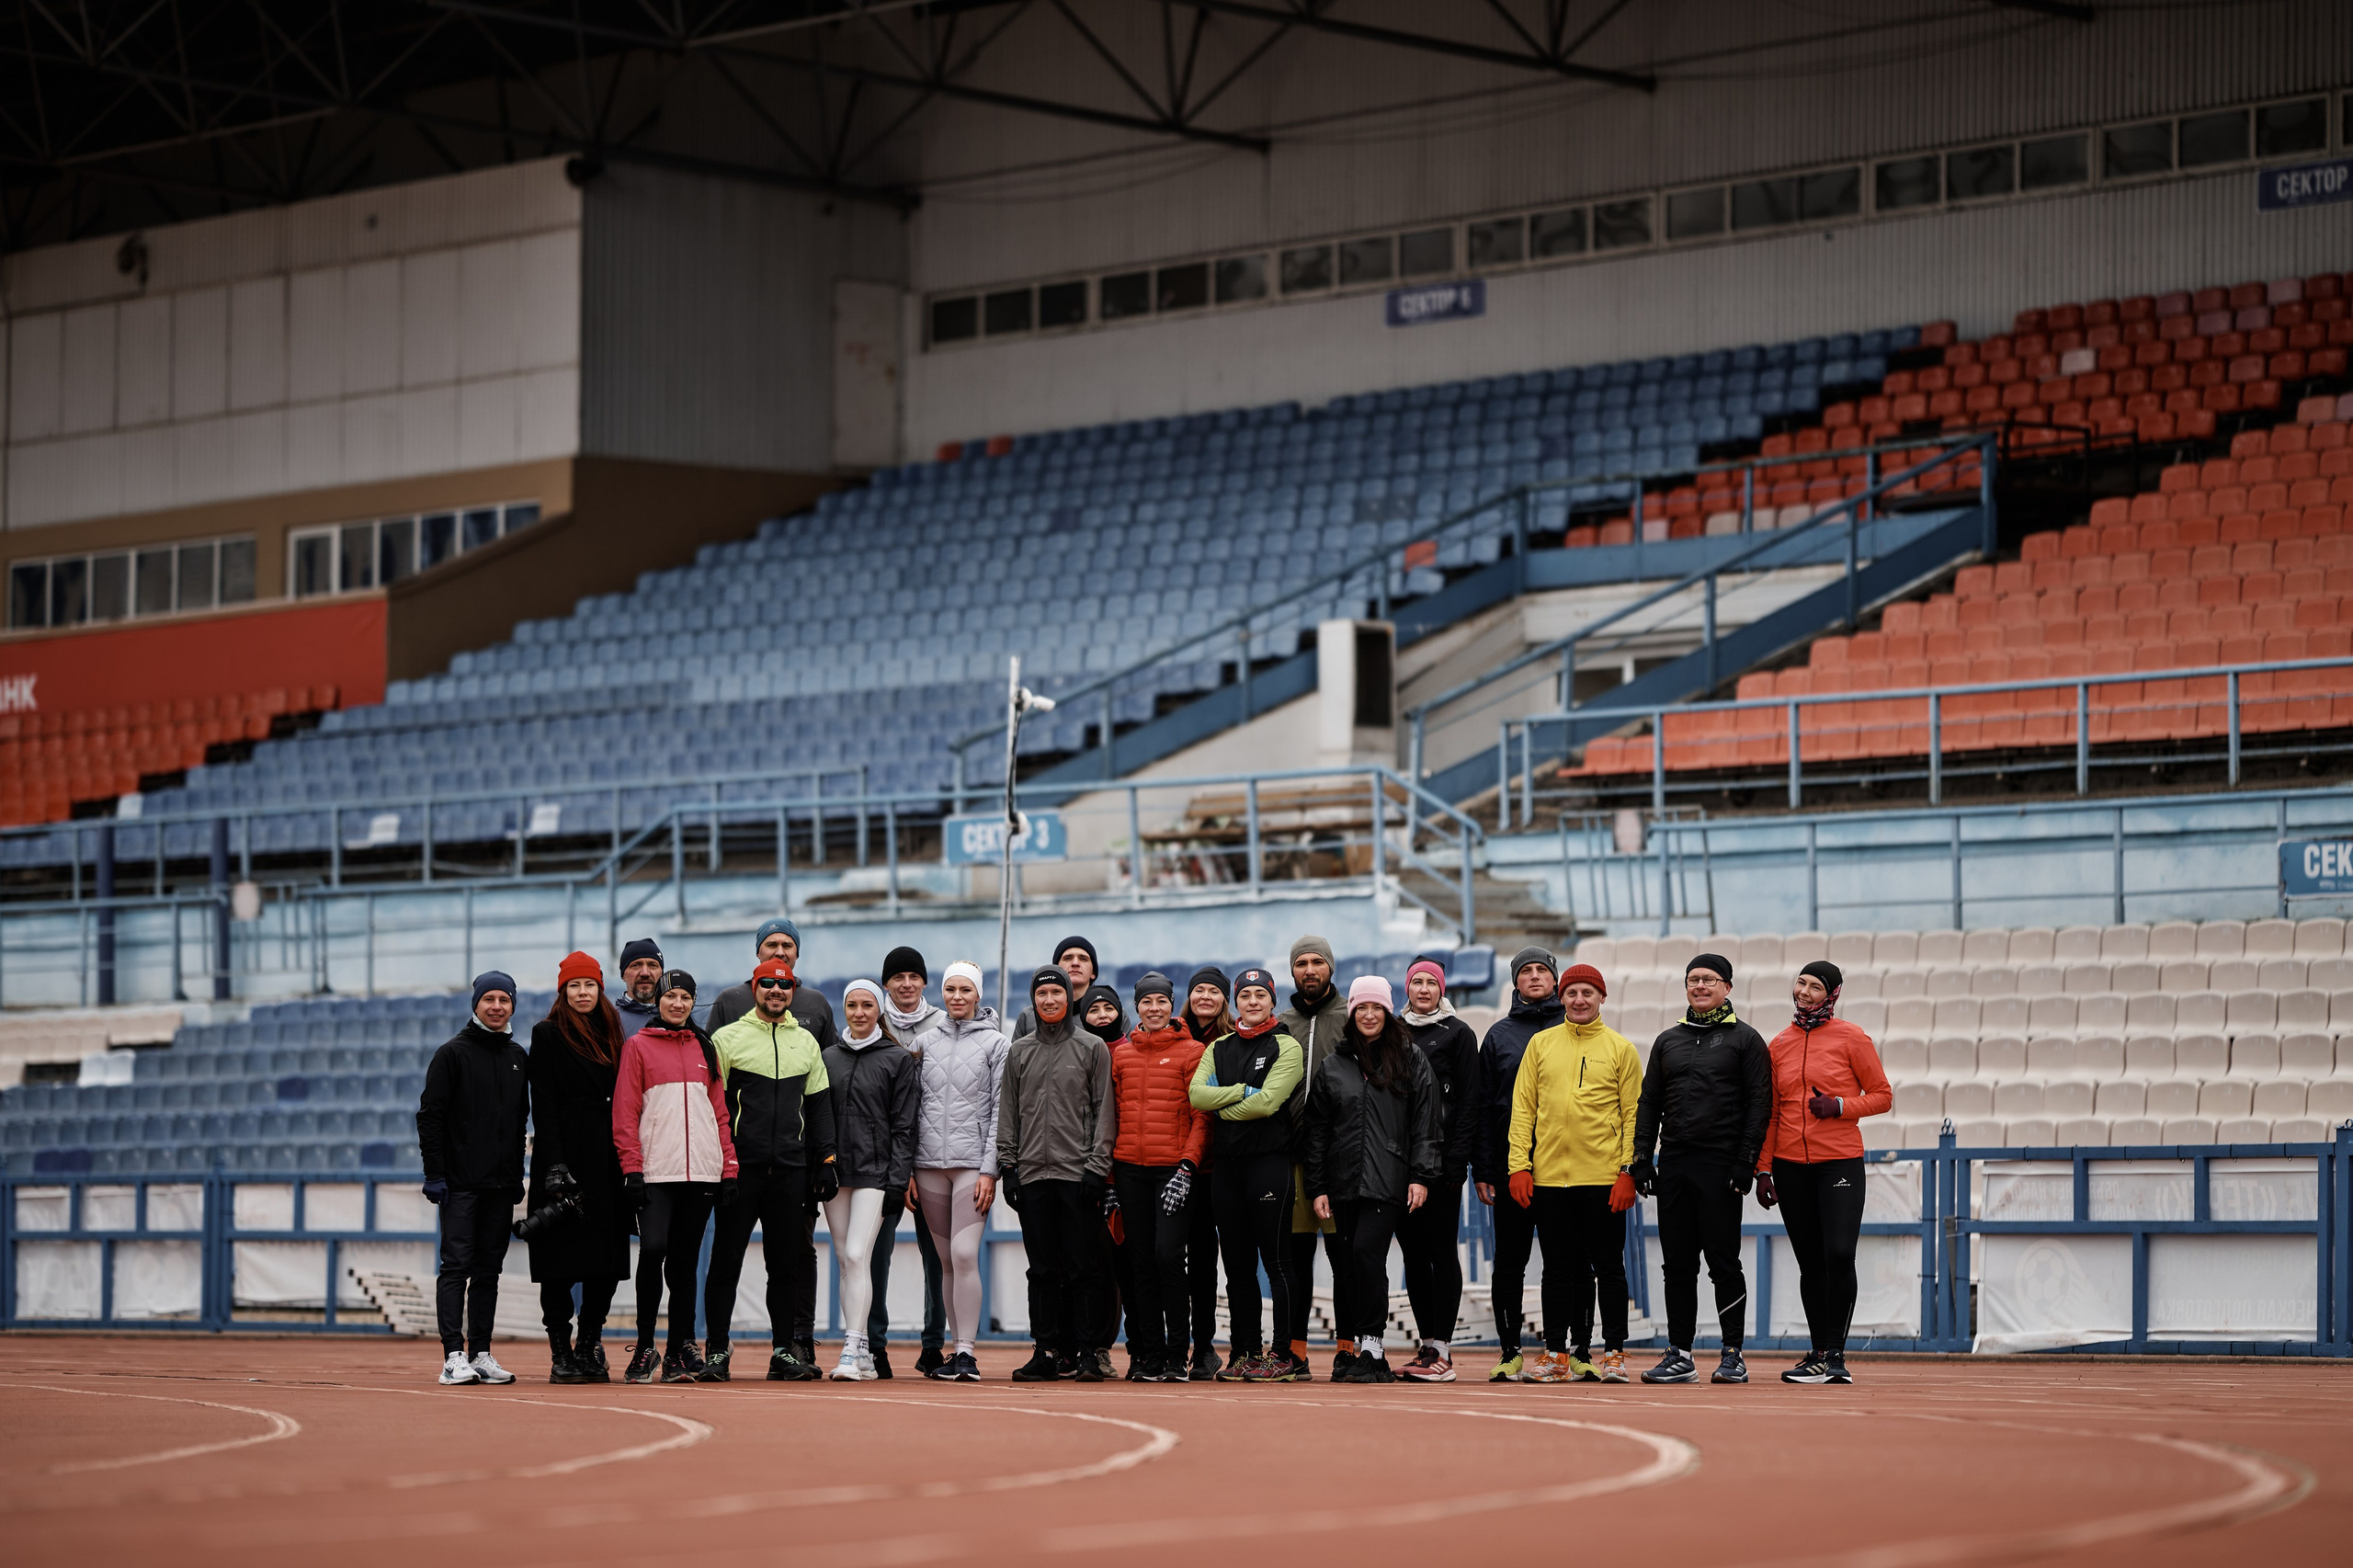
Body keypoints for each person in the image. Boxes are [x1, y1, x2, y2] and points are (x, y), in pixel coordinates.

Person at [1630, 952, 1772, 1386]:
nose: (1701, 986)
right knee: (1677, 1264)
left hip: (1721, 1165)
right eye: (1693, 979)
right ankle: (1680, 1354)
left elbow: (1760, 1105)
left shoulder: (1746, 1040)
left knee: (1723, 1262)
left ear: (1728, 987)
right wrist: (1641, 1158)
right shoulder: (1667, 1040)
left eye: (1710, 979)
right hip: (1673, 1163)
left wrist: (1745, 1161)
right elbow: (1649, 1102)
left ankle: (1733, 1354)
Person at [1506, 961, 1643, 1384]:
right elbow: (1523, 1109)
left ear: (1602, 998)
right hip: (1550, 1180)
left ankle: (1615, 1353)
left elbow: (1634, 1115)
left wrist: (1628, 1173)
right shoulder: (1541, 1044)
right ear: (1560, 998)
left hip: (1603, 1180)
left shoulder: (1621, 1049)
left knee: (1609, 1269)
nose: (1579, 1000)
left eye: (1588, 993)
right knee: (1556, 1270)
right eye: (1572, 993)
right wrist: (1518, 1166)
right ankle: (1556, 1355)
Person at [704, 958, 838, 1381]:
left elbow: (818, 1108)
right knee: (725, 1262)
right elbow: (712, 1107)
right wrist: (722, 1165)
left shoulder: (807, 1042)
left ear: (792, 991)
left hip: (790, 1170)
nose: (776, 992)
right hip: (740, 1169)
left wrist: (826, 1161)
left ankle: (783, 1352)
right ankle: (716, 1353)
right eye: (768, 985)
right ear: (755, 987)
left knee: (786, 1267)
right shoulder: (727, 1038)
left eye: (784, 987)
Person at [1760, 960, 1892, 1386]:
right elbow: (1773, 1114)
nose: (1804, 992)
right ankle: (1818, 1353)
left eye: (1815, 986)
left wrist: (1839, 1106)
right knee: (1810, 1263)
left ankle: (1836, 1353)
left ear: (1831, 994)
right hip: (1790, 1166)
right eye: (1801, 983)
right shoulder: (1778, 1044)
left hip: (1839, 1161)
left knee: (1838, 1254)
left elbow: (1882, 1096)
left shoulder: (1852, 1037)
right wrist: (1764, 1170)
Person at [1304, 977, 1442, 1384]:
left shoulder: (1410, 1058)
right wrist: (1318, 1186)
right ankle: (1356, 1352)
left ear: (1387, 1012)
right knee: (1347, 1265)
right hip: (1342, 1181)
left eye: (1376, 1008)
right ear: (1351, 1014)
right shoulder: (1334, 1064)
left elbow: (1426, 1122)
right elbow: (1316, 1132)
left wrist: (1420, 1175)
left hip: (1390, 1179)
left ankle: (1374, 1348)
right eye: (1361, 1008)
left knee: (1366, 1254)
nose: (1368, 1015)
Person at [613, 970, 739, 1384]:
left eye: (686, 997)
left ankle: (677, 1353)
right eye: (672, 996)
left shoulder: (706, 1047)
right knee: (653, 1251)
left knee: (684, 1265)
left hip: (701, 1173)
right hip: (654, 1172)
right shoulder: (637, 1047)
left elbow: (720, 1114)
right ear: (660, 1002)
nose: (678, 1004)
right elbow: (626, 1112)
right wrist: (632, 1169)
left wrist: (729, 1168)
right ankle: (645, 1346)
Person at [1000, 967, 1118, 1381]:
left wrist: (1096, 1169)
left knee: (1084, 1268)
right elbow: (1009, 1113)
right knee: (1043, 1270)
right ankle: (1047, 1350)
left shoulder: (1092, 1048)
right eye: (1041, 994)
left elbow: (1106, 1112)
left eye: (1056, 992)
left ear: (1069, 998)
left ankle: (1088, 1353)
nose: (1049, 1000)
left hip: (1078, 1176)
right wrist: (1008, 1169)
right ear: (1033, 1001)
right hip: (1031, 1177)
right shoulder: (1019, 1052)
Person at [1190, 966, 1307, 1382]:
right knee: (1237, 1268)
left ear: (1272, 1000)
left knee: (1277, 1263)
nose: (1253, 1002)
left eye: (1261, 995)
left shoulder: (1287, 1046)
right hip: (1226, 1170)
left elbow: (1269, 1104)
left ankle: (1285, 1355)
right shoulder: (1219, 1046)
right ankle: (1246, 1353)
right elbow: (1196, 1094)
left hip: (1268, 1165)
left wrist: (1222, 1107)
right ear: (1235, 1002)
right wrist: (1240, 1093)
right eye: (1245, 995)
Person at [417, 971, 531, 1386]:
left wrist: (517, 1174)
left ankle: (481, 1353)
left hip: (500, 1186)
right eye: (490, 999)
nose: (497, 1006)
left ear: (513, 1005)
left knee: (489, 1271)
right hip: (461, 1185)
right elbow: (430, 1119)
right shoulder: (451, 1054)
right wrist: (436, 1175)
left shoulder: (519, 1055)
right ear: (476, 1004)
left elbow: (520, 1121)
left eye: (504, 999)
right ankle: (452, 1356)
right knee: (456, 1268)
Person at [524, 952, 632, 1384]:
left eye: (589, 985)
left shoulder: (613, 1033)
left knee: (605, 1263)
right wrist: (553, 1165)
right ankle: (560, 1352)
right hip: (563, 1163)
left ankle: (588, 1344)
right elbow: (543, 1104)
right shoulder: (547, 1034)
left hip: (607, 1161)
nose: (583, 993)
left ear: (600, 989)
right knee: (559, 1264)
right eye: (574, 986)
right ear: (563, 992)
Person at [911, 960, 1010, 1382]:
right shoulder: (922, 1043)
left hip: (973, 1166)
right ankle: (955, 1350)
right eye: (950, 989)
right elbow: (910, 1111)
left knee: (965, 1254)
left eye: (965, 990)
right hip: (927, 1166)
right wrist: (909, 1171)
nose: (956, 997)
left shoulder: (997, 1045)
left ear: (978, 995)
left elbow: (1001, 1111)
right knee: (947, 1261)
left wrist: (991, 1169)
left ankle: (968, 1352)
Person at [1107, 971, 1208, 1382]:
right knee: (1139, 1262)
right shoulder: (1123, 1055)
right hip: (1129, 1169)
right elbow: (1110, 1118)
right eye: (1146, 1002)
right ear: (1137, 1007)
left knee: (1168, 1257)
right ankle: (1149, 1354)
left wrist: (1187, 1168)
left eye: (1161, 1001)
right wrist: (1111, 1180)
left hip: (1172, 1170)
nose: (1153, 1008)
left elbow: (1203, 1118)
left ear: (1171, 1005)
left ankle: (1174, 1354)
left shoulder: (1193, 1051)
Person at [1472, 947, 1565, 1381]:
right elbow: (1485, 1108)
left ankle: (1557, 1351)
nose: (1533, 977)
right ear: (1515, 982)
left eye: (1541, 970)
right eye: (1525, 972)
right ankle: (1510, 1351)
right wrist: (1485, 1170)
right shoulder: (1498, 1035)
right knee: (1510, 1262)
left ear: (1554, 979)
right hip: (1513, 1168)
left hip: (1568, 1170)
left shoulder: (1574, 1027)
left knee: (1562, 1262)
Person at [821, 979, 921, 1381]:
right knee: (846, 1260)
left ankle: (851, 1347)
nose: (859, 1012)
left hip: (875, 1175)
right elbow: (817, 1117)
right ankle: (861, 1351)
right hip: (836, 1175)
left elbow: (905, 1128)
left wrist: (897, 1182)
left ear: (878, 1010)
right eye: (852, 1005)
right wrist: (821, 1166)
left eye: (867, 1005)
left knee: (860, 1256)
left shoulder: (897, 1059)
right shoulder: (827, 1057)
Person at [1397, 957, 1480, 1382]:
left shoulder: (1459, 1034)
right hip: (1399, 1165)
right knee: (1412, 1254)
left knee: (1441, 1252)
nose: (1424, 989)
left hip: (1442, 1164)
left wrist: (1456, 1161)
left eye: (1432, 983)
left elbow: (1469, 1103)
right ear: (1407, 988)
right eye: (1417, 982)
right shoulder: (1393, 1031)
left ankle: (1443, 1349)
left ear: (1442, 989)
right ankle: (1426, 1343)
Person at [1278, 936, 1350, 1376]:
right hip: (1292, 1161)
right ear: (1292, 971)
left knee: (1345, 1261)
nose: (1309, 969)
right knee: (1295, 1262)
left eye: (1317, 962)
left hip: (1341, 1160)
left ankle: (1348, 1350)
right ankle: (1294, 1353)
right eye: (1301, 962)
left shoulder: (1353, 1017)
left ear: (1330, 968)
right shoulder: (1278, 1021)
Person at [879, 946, 949, 1377]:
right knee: (875, 1257)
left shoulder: (945, 1024)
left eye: (913, 976)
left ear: (924, 982)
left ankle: (933, 1346)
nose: (906, 984)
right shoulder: (868, 1020)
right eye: (897, 977)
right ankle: (874, 1346)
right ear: (885, 983)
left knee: (937, 1257)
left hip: (932, 1158)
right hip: (881, 1162)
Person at [1176, 968, 1235, 1381]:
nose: (1206, 996)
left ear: (1224, 999)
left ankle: (1205, 1346)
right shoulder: (1175, 1035)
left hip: (1220, 1164)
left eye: (1214, 991)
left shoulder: (1232, 1041)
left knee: (1204, 1261)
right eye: (1200, 989)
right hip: (1177, 1164)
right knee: (1170, 1260)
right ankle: (1174, 1345)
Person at [1076, 983, 1137, 1363]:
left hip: (1129, 1173)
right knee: (1093, 1266)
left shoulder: (1131, 1051)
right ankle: (1095, 1348)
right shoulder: (1078, 1052)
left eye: (1108, 1009)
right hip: (1086, 1174)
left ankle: (1144, 1348)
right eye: (1094, 1010)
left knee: (1128, 1267)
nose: (1101, 1015)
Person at [707, 918, 841, 1045]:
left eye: (787, 946)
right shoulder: (730, 1000)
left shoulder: (815, 1002)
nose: (780, 952)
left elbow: (830, 1060)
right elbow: (710, 1058)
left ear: (797, 954)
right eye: (772, 945)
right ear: (758, 952)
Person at [1011, 935, 1101, 1039]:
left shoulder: (1109, 1014)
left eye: (1083, 959)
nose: (1075, 963)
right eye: (1068, 958)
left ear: (1093, 972)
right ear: (1056, 969)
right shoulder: (1028, 1017)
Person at [615, 937, 665, 1040]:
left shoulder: (677, 1017)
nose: (645, 973)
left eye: (652, 965)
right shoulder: (610, 1019)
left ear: (662, 974)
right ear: (623, 975)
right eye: (636, 965)